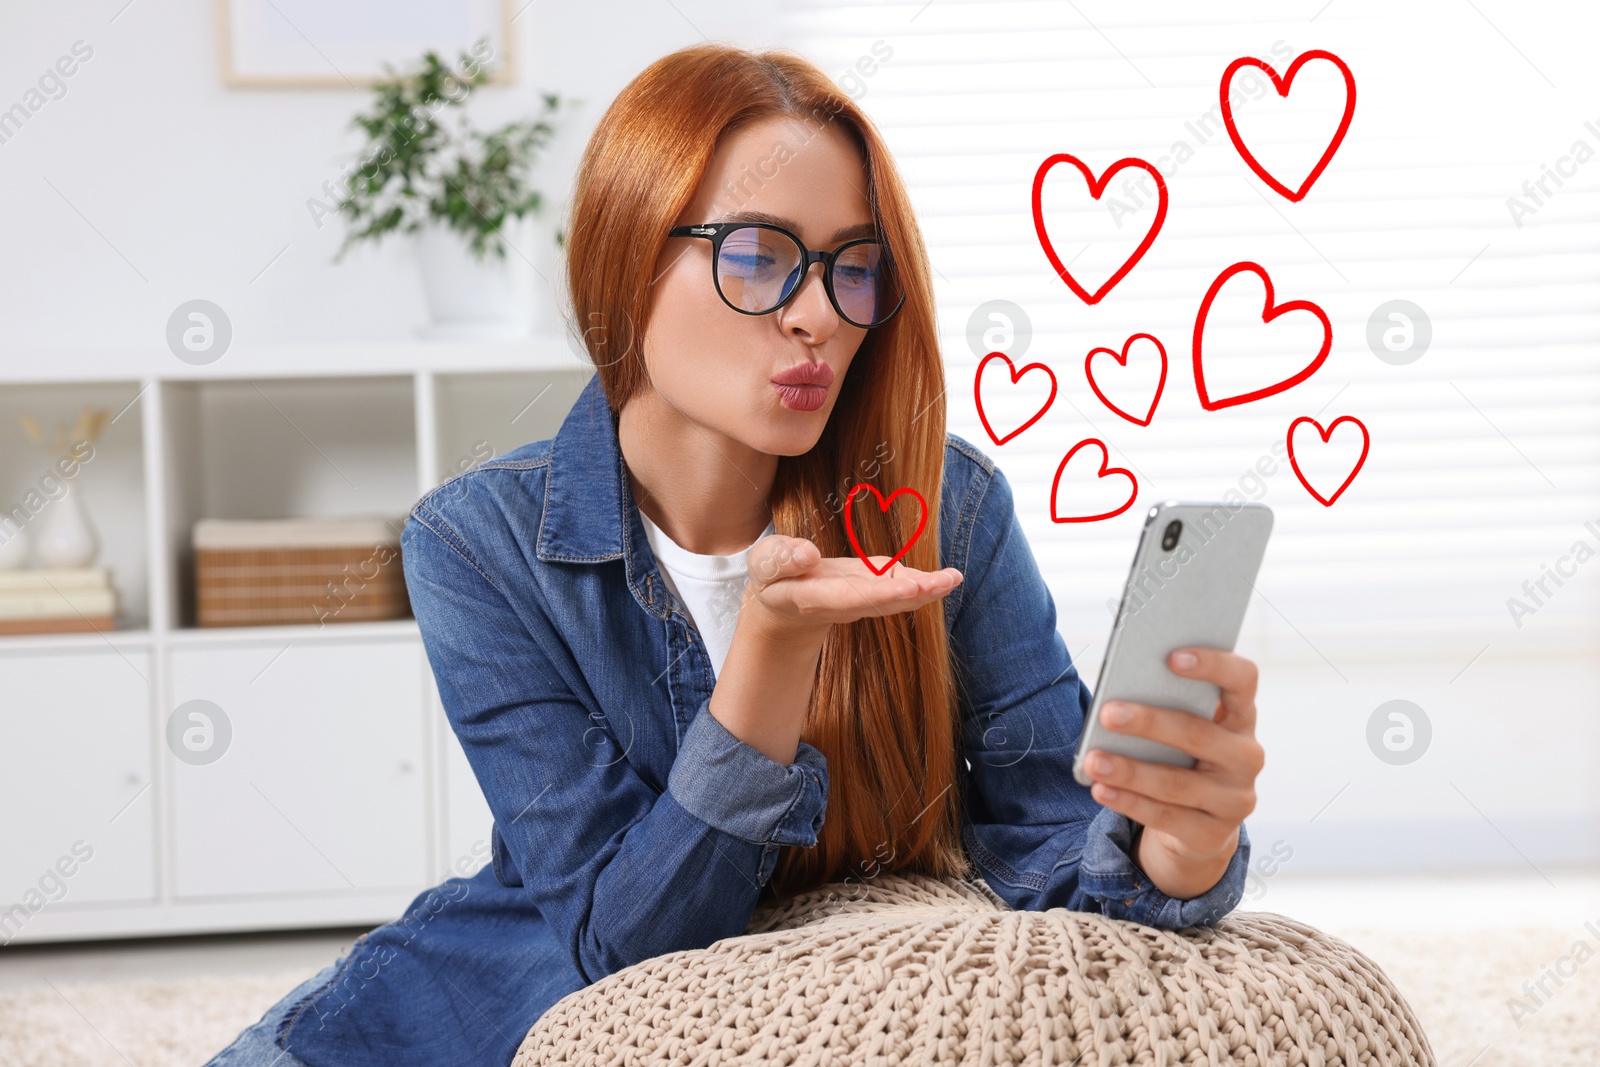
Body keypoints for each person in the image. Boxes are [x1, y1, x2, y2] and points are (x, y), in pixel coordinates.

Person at [205, 40, 1264, 1067]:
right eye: (759, 257)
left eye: (854, 268)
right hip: (438, 1026)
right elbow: (623, 946)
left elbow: (1053, 838)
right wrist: (771, 653)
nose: (816, 315)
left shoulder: (949, 506)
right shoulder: (476, 545)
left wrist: (1180, 849)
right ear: (627, 255)